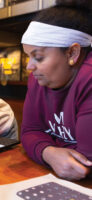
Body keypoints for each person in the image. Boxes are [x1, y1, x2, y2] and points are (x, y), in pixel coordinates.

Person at [21, 0, 92, 180]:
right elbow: (29, 131)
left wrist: (41, 145)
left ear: (72, 53)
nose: (29, 66)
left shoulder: (88, 79)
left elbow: (85, 162)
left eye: (38, 57)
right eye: (28, 57)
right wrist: (49, 152)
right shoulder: (37, 80)